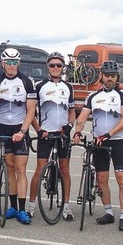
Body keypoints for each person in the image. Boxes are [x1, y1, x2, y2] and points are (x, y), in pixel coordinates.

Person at [0, 48, 37, 225]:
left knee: (20, 169)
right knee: (10, 168)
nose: (11, 66)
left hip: (20, 128)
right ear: (3, 63)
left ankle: (21, 209)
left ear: (18, 63)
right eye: (8, 62)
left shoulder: (27, 81)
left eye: (14, 62)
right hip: (4, 127)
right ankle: (12, 206)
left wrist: (23, 131)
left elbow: (31, 110)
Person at [73, 60, 123, 231]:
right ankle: (109, 212)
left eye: (113, 76)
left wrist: (109, 134)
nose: (109, 79)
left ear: (116, 77)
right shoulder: (93, 96)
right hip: (99, 142)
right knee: (101, 179)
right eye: (107, 75)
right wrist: (77, 132)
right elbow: (82, 118)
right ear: (101, 76)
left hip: (118, 141)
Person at [28, 52, 76, 220]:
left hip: (62, 134)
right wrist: (39, 130)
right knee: (40, 169)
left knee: (65, 169)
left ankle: (66, 207)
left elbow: (72, 111)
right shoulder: (39, 86)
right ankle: (31, 205)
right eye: (52, 65)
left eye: (59, 65)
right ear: (47, 67)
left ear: (63, 68)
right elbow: (31, 112)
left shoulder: (68, 87)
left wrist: (69, 126)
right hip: (45, 133)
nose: (56, 68)